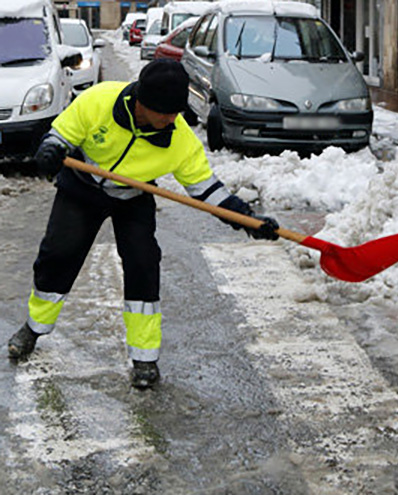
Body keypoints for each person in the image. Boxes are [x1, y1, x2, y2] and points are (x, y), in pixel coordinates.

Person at [6, 59, 279, 389]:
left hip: (132, 197)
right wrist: (50, 151)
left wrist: (246, 218)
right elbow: (59, 136)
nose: (172, 119)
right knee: (57, 256)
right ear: (141, 102)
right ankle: (34, 328)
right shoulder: (98, 101)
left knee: (143, 264)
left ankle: (145, 358)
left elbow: (207, 190)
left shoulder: (178, 137)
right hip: (82, 187)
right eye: (164, 112)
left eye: (176, 112)